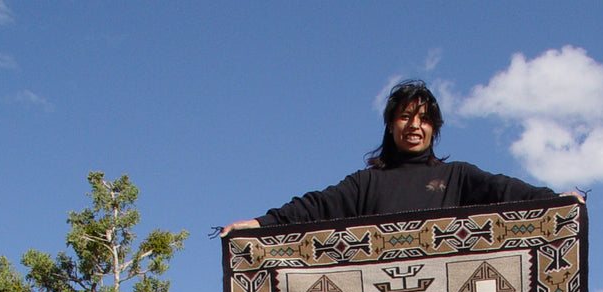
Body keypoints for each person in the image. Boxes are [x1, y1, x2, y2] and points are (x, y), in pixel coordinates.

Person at [221, 79, 575, 234]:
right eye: (405, 116)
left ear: (435, 127)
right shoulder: (367, 183)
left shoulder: (457, 177)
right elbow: (316, 206)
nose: (414, 126)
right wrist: (260, 225)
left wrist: (555, 200)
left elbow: (505, 190)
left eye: (423, 119)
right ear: (390, 124)